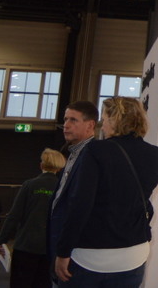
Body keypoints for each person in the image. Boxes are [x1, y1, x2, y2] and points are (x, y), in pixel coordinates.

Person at [52, 97, 158, 286]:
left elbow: (80, 205)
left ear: (115, 119)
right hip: (134, 254)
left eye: (104, 119)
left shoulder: (95, 150)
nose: (102, 125)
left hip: (91, 255)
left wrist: (62, 251)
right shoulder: (156, 154)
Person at [0, 148, 65, 288]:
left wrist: (1, 240)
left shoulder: (29, 185)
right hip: (49, 249)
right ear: (59, 168)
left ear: (41, 165)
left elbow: (14, 215)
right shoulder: (62, 188)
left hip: (25, 245)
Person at [48, 100, 100, 268]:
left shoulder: (94, 156)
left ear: (90, 125)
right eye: (65, 119)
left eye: (73, 120)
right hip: (61, 243)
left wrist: (65, 250)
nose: (66, 125)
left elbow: (81, 204)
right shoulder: (71, 154)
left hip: (78, 252)